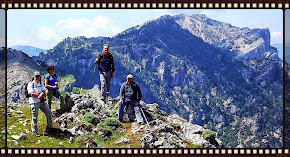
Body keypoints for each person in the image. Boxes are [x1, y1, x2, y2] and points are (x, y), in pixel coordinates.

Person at [27, 71, 53, 136]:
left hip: (41, 102)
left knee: (49, 112)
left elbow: (43, 90)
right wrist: (39, 96)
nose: (37, 77)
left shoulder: (41, 83)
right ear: (34, 77)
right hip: (34, 102)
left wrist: (42, 94)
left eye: (38, 76)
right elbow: (31, 93)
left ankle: (49, 127)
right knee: (35, 117)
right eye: (36, 76)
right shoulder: (30, 84)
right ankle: (34, 132)